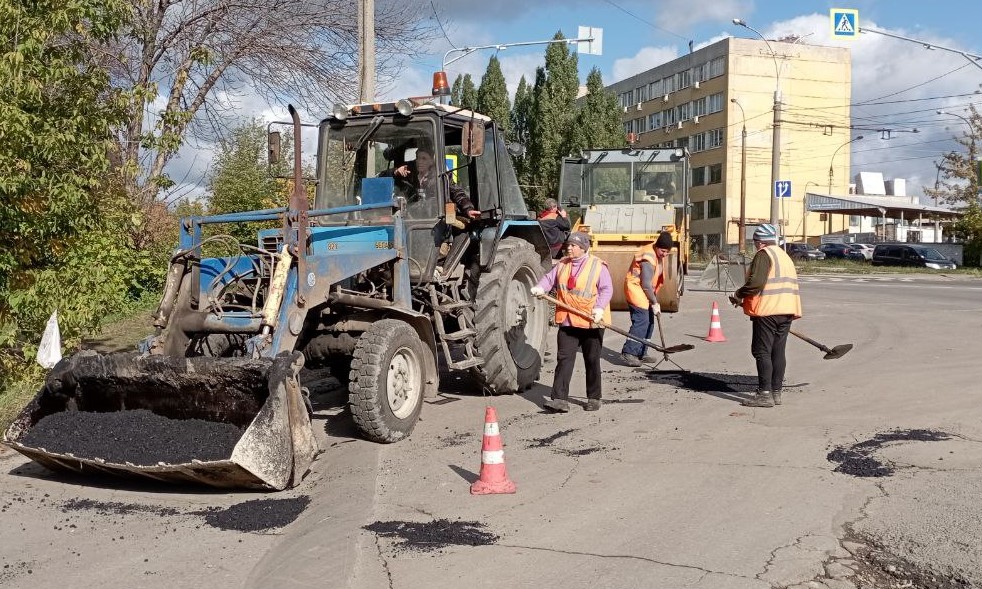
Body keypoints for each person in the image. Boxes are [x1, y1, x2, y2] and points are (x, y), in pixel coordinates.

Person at [530, 232, 613, 412]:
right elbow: (548, 280)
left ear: (583, 248)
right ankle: (559, 399)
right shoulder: (562, 265)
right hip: (568, 320)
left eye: (573, 245)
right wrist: (539, 288)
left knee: (591, 359)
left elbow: (606, 289)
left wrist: (599, 309)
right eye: (568, 245)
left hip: (591, 321)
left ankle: (594, 397)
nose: (569, 248)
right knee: (564, 359)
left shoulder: (598, 266)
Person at [729, 223, 802, 408]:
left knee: (761, 351)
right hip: (787, 309)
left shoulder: (764, 255)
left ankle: (764, 394)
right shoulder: (783, 256)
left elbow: (756, 282)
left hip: (769, 310)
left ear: (760, 242)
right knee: (778, 351)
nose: (755, 246)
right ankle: (776, 393)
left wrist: (739, 295)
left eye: (755, 243)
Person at [619, 231, 673, 367]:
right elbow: (646, 284)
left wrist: (654, 300)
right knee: (642, 321)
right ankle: (629, 352)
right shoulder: (648, 257)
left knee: (650, 322)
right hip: (635, 289)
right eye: (663, 251)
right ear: (657, 246)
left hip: (645, 291)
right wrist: (654, 302)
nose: (665, 254)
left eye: (667, 252)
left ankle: (642, 352)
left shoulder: (658, 253)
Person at [387, 147, 480, 219]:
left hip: (433, 221)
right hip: (410, 221)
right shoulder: (408, 175)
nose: (420, 162)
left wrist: (468, 209)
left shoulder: (441, 176)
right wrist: (395, 172)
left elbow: (457, 192)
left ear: (431, 161)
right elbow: (380, 178)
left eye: (424, 158)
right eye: (418, 158)